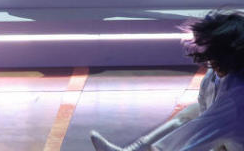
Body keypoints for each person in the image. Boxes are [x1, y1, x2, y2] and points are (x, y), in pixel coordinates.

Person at [90, 10, 244, 151]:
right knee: (191, 112)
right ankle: (134, 149)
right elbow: (202, 111)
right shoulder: (215, 75)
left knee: (199, 125)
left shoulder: (234, 101)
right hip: (227, 136)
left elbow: (196, 140)